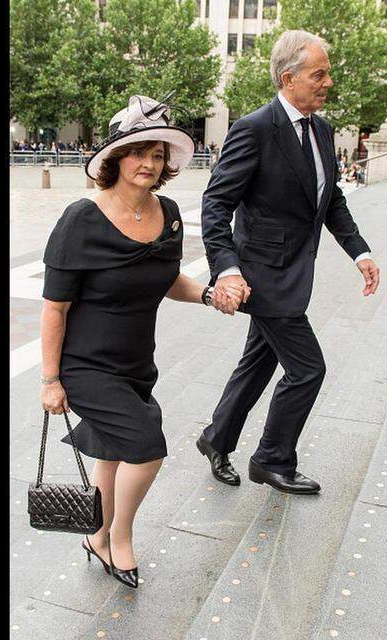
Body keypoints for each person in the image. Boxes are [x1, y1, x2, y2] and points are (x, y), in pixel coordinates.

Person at [39, 95, 247, 590]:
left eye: (158, 155)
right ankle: (118, 536)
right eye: (139, 153)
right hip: (87, 365)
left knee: (112, 452)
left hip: (136, 361)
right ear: (115, 158)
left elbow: (166, 277)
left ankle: (96, 535)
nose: (150, 164)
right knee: (145, 447)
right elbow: (55, 308)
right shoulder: (80, 220)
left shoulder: (169, 213)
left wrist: (207, 294)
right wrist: (50, 380)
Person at [197, 30, 380, 495]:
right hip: (262, 275)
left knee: (259, 362)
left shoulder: (320, 127)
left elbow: (329, 198)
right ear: (288, 78)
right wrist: (227, 269)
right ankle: (271, 459)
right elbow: (216, 203)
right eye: (319, 74)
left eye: (327, 73)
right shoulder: (254, 129)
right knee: (307, 369)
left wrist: (359, 251)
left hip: (293, 270)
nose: (328, 82)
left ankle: (216, 439)